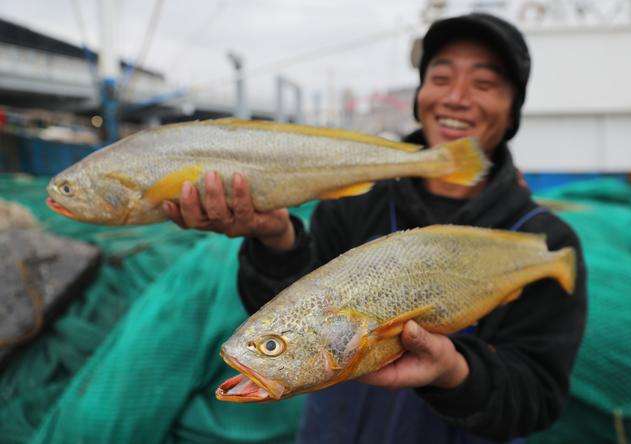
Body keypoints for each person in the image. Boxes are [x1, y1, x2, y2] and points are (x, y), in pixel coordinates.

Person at [164, 12, 587, 444]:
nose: (457, 97)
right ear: (420, 92)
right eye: (440, 77)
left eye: (484, 84)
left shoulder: (546, 244)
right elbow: (292, 303)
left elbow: (537, 399)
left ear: (513, 108)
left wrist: (454, 371)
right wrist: (275, 238)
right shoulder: (357, 198)